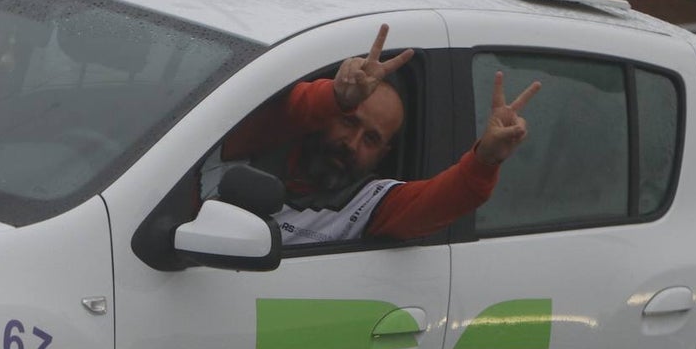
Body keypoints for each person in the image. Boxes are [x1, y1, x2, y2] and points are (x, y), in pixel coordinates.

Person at [220, 24, 541, 245]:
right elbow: (275, 110)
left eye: (371, 139)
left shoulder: (366, 204)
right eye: (349, 122)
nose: (352, 144)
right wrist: (335, 97)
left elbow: (441, 201)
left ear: (384, 153)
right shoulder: (256, 141)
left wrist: (485, 160)